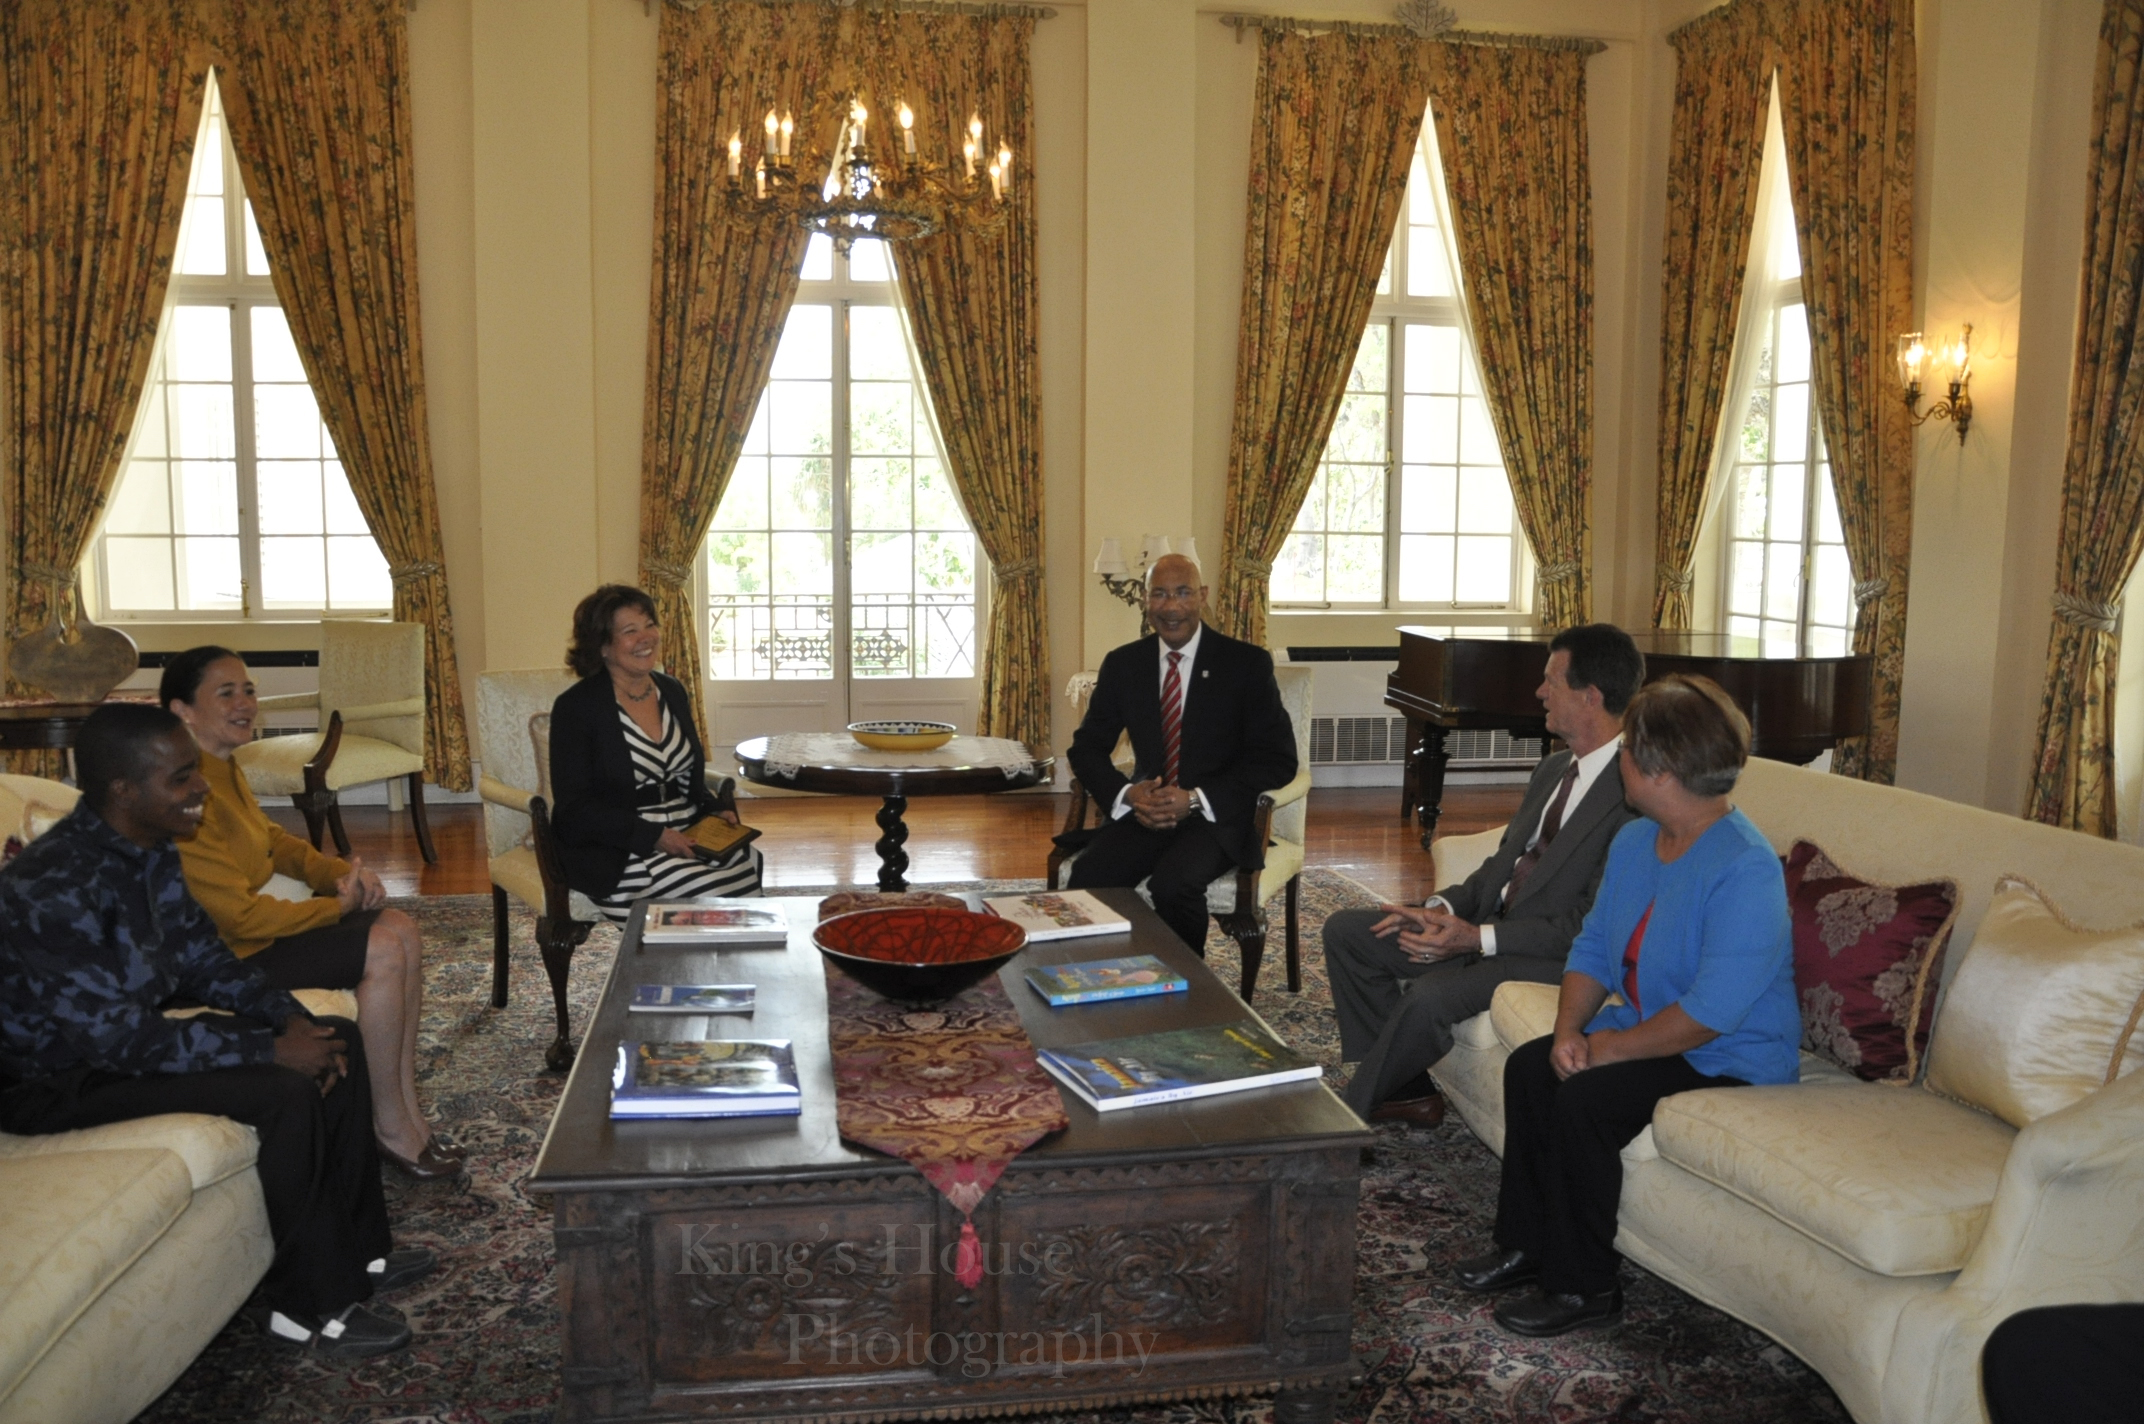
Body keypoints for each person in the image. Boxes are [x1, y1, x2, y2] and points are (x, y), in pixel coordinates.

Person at [0, 704, 432, 1358]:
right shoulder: (51, 886)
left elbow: (204, 959)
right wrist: (268, 1046)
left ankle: (364, 1254)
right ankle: (306, 1307)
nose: (201, 785)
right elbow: (115, 1041)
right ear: (123, 790)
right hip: (54, 1080)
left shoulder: (149, 848)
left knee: (330, 1038)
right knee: (284, 1088)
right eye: (181, 777)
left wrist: (286, 1017)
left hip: (122, 1042)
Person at [1454, 674, 1799, 1338]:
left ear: (1661, 771)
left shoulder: (1745, 867)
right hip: (1651, 1026)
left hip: (1726, 1052)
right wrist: (1569, 1029)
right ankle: (1525, 1246)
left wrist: (1607, 1048)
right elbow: (1592, 946)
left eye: (1630, 751)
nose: (1622, 761)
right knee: (1533, 1067)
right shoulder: (1637, 840)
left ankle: (1584, 1287)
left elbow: (1710, 1013)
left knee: (1586, 1099)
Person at [1325, 625, 1644, 1127]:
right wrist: (1439, 910)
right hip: (1490, 930)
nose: (1539, 692)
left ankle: (1344, 1121)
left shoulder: (1634, 795)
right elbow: (1502, 866)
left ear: (1590, 696)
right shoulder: (1553, 769)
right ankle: (1404, 1091)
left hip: (1552, 957)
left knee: (1430, 997)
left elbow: (1587, 926)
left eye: (1551, 681)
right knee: (1349, 933)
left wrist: (1476, 939)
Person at [160, 647, 460, 1181]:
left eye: (248, 690)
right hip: (219, 960)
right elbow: (239, 920)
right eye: (225, 693)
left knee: (402, 929)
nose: (244, 703)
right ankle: (389, 1127)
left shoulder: (222, 767)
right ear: (182, 710)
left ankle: (406, 1111)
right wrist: (334, 907)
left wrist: (340, 873)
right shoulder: (186, 789)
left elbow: (272, 841)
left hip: (248, 941)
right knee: (383, 948)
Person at [1063, 552, 1298, 952]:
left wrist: (1194, 798)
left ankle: (1186, 981)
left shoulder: (1245, 664)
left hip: (1215, 817)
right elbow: (1086, 748)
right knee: (1090, 874)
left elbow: (1278, 759)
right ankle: (1106, 972)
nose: (1171, 607)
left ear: (1202, 596)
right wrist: (1127, 795)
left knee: (1173, 885)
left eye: (1183, 593)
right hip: (1147, 811)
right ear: (1146, 600)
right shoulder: (1124, 664)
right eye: (1160, 594)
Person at [550, 584, 762, 919]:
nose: (646, 637)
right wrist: (653, 836)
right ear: (602, 646)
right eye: (630, 631)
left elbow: (685, 777)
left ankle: (725, 955)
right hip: (620, 846)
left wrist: (713, 810)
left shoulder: (672, 690)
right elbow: (574, 807)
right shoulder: (576, 707)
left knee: (747, 863)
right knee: (709, 893)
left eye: (650, 625)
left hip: (685, 828)